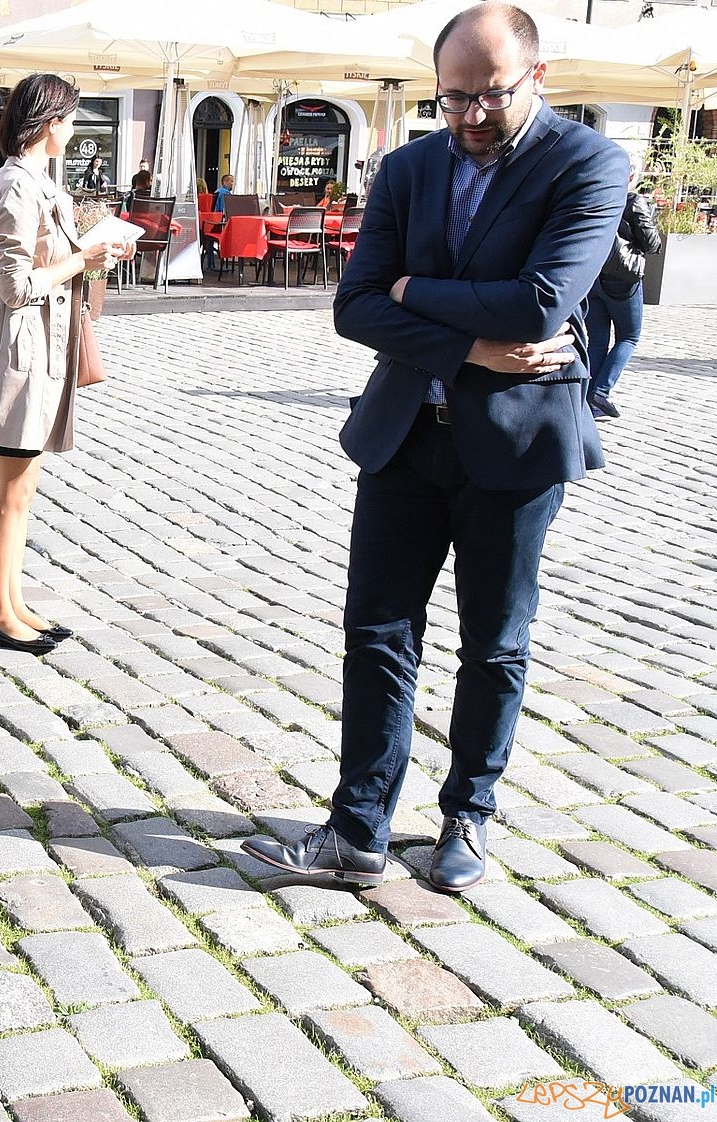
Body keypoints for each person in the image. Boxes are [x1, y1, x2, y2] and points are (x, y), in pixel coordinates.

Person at [241, 3, 626, 894]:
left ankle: (467, 818)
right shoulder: (411, 167)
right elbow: (355, 304)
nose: (468, 117)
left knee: (495, 641)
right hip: (405, 432)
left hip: (517, 445)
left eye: (488, 96)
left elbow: (539, 303)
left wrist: (418, 291)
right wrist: (467, 344)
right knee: (376, 632)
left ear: (536, 76)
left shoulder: (590, 163)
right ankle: (357, 828)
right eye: (451, 99)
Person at [0, 74, 133, 657]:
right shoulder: (17, 187)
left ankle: (12, 602)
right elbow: (16, 285)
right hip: (16, 355)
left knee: (21, 490)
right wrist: (83, 259)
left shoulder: (34, 183)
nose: (74, 131)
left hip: (34, 351)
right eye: (72, 120)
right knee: (11, 489)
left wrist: (95, 253)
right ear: (51, 123)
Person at [585, 171, 661, 420]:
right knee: (629, 336)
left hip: (594, 276)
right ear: (630, 177)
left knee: (596, 340)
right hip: (623, 278)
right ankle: (601, 391)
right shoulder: (632, 201)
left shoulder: (593, 197)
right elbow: (650, 242)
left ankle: (587, 397)